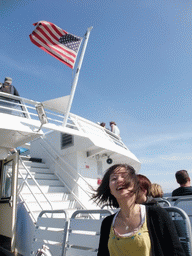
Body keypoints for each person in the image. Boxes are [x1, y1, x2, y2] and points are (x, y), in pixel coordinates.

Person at [92, 164, 185, 256]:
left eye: (124, 176)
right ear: (110, 190)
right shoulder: (107, 223)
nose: (119, 180)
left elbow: (176, 252)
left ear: (135, 184)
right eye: (113, 178)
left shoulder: (156, 214)